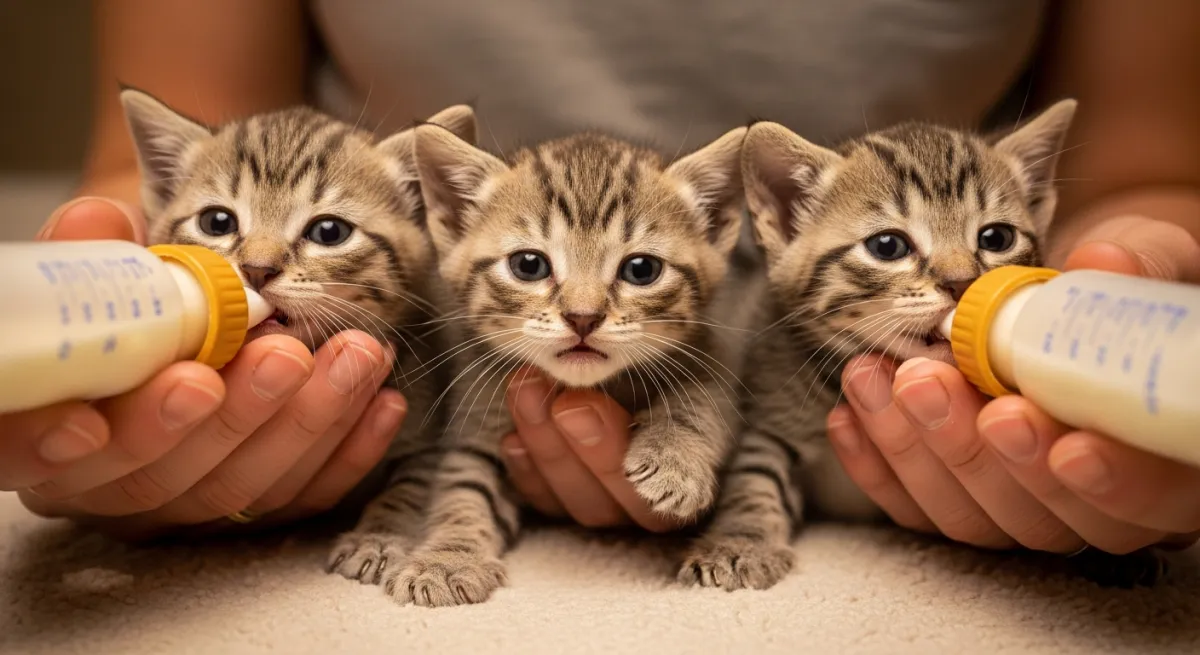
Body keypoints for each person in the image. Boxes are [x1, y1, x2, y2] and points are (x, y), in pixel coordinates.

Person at [3, 0, 1197, 554]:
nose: (578, 310)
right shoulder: (421, 273)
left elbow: (1144, 167)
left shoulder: (757, 284)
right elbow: (182, 149)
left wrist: (1135, 272)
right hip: (398, 318)